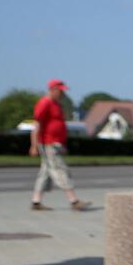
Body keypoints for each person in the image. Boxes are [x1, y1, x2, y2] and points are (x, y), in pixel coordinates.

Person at [29, 79, 90, 211]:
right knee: (60, 169)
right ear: (53, 90)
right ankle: (74, 200)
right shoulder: (44, 103)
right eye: (60, 91)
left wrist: (62, 144)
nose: (63, 94)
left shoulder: (56, 104)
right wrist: (34, 145)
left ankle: (36, 201)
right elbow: (37, 125)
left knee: (45, 173)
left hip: (55, 143)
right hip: (47, 143)